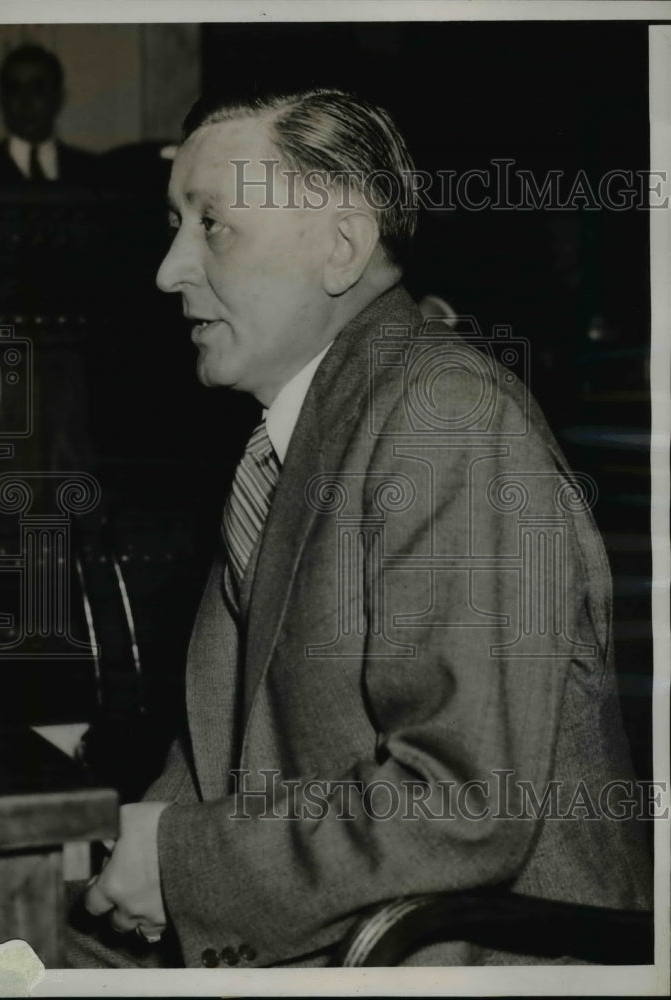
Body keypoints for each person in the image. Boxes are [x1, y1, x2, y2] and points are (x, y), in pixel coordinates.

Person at [67, 88, 651, 969]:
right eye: (174, 223)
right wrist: (141, 850)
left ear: (340, 245)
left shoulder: (444, 418)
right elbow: (231, 737)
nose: (169, 269)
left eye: (212, 224)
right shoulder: (310, 428)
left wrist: (185, 864)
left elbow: (464, 801)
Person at [0, 44, 99, 186]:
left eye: (38, 89)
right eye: (15, 89)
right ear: (1, 100)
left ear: (59, 98)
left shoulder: (92, 171)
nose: (26, 101)